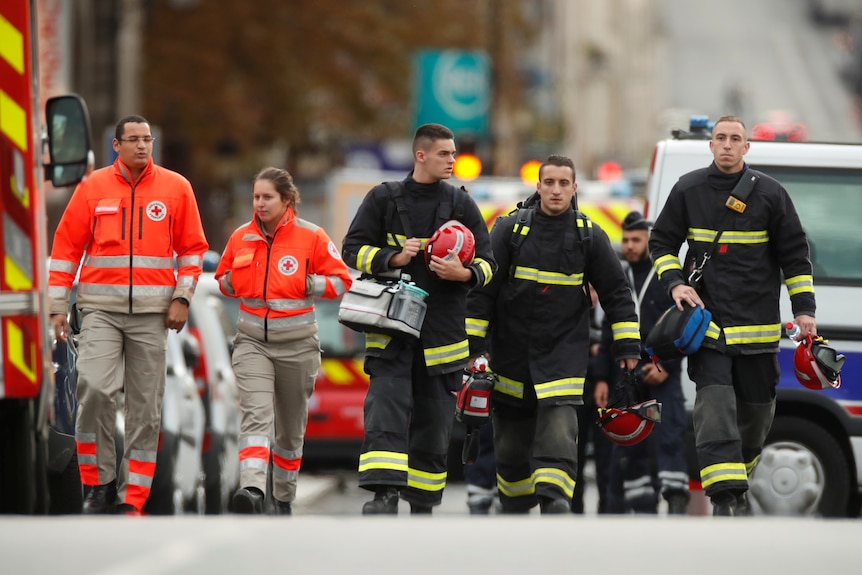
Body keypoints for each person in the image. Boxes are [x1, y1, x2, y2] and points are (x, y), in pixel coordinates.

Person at [649, 115, 816, 516]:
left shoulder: (771, 194)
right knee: (715, 404)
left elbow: (795, 257)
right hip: (709, 327)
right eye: (720, 138)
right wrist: (676, 283)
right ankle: (724, 495)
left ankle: (737, 479)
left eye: (734, 139)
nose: (726, 144)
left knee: (757, 414)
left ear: (746, 147)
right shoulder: (688, 189)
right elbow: (661, 242)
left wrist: (804, 312)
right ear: (710, 146)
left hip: (758, 329)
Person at [48, 115, 208, 515]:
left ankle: (132, 497)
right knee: (95, 391)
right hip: (100, 311)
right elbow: (66, 249)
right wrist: (56, 307)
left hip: (153, 317)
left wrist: (183, 299)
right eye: (133, 139)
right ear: (115, 146)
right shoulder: (92, 187)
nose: (142, 145)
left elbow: (192, 251)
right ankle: (97, 485)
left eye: (147, 139)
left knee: (144, 407)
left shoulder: (176, 188)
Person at [465, 154, 641, 514]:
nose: (556, 190)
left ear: (575, 188)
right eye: (550, 182)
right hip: (511, 359)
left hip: (564, 357)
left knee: (559, 432)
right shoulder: (510, 230)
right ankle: (515, 505)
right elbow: (482, 294)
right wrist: (475, 350)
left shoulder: (588, 235)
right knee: (511, 449)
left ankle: (554, 501)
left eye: (564, 183)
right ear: (539, 186)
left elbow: (618, 293)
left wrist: (627, 345)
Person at [341, 123, 496, 515]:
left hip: (443, 336)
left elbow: (489, 264)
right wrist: (392, 258)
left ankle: (423, 503)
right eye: (445, 154)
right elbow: (351, 250)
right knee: (386, 414)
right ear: (421, 155)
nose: (453, 160)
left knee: (435, 423)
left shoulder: (461, 204)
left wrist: (465, 274)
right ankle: (384, 495)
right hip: (392, 331)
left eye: (454, 153)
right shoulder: (383, 199)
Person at [215, 167, 352, 515]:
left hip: (297, 345)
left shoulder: (312, 237)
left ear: (286, 199)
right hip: (251, 344)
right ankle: (252, 489)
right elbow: (224, 280)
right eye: (256, 197)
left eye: (267, 197)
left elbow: (341, 282)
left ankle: (284, 497)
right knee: (256, 418)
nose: (259, 203)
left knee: (290, 431)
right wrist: (234, 282)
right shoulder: (240, 237)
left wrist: (309, 284)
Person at [593, 211, 690, 515]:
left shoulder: (665, 277)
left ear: (649, 241)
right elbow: (609, 332)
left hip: (663, 372)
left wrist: (666, 367)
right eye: (625, 240)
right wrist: (601, 379)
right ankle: (643, 507)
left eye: (636, 240)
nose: (630, 246)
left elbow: (683, 325)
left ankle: (675, 498)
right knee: (628, 443)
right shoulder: (617, 276)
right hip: (627, 374)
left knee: (670, 436)